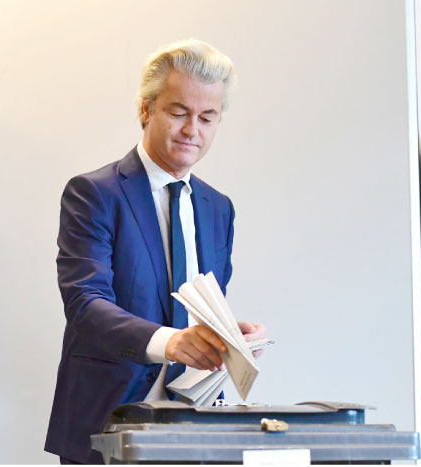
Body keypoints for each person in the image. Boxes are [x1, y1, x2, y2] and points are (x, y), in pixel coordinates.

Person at [45, 39, 267, 464]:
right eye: (179, 112)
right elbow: (86, 305)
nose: (192, 131)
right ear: (146, 110)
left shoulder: (219, 208)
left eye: (207, 117)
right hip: (109, 423)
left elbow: (202, 309)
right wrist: (172, 343)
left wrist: (229, 340)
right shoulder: (94, 193)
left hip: (196, 425)